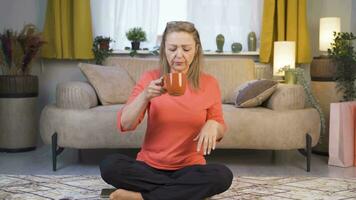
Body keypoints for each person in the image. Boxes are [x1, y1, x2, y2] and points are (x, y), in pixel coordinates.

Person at [100, 21, 233, 200]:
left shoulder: (209, 83)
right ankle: (182, 193)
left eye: (186, 49)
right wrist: (145, 96)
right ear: (163, 49)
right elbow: (125, 124)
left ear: (196, 49)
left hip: (189, 168)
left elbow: (219, 125)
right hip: (149, 168)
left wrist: (212, 124)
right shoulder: (150, 79)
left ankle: (140, 197)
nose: (179, 55)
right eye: (172, 49)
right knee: (110, 165)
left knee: (222, 175)